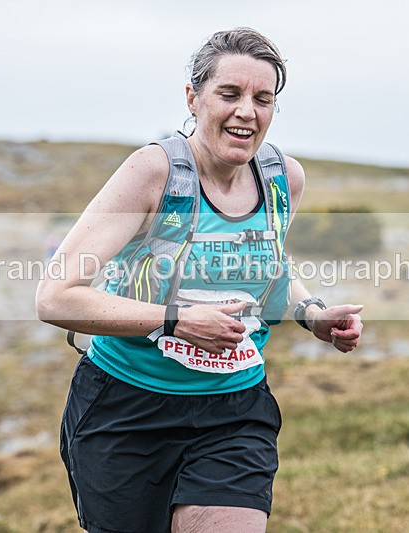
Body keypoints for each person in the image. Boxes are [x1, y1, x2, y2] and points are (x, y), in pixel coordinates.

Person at [36, 27, 363, 533]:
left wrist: (311, 314)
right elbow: (55, 298)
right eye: (229, 94)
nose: (247, 112)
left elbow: (268, 267)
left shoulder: (282, 179)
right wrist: (176, 320)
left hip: (235, 410)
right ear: (193, 98)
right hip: (126, 409)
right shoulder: (154, 173)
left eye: (263, 99)